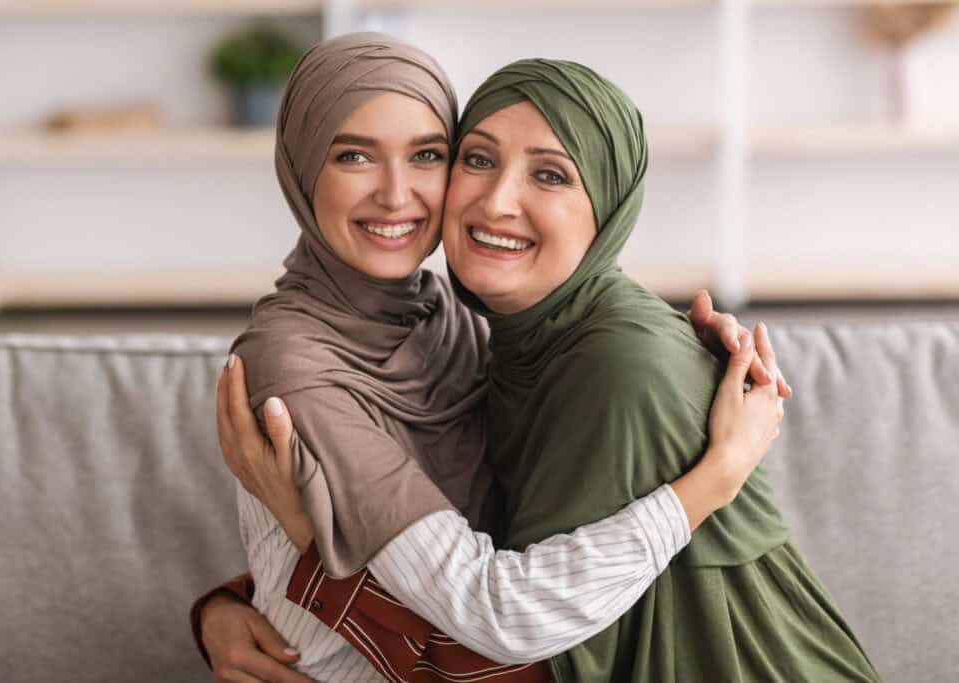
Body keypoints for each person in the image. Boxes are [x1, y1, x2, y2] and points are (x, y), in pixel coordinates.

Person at [194, 35, 790, 683]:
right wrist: (717, 474)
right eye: (354, 155)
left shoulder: (452, 322)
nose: (397, 195)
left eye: (428, 155)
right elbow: (495, 611)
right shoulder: (297, 367)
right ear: (302, 166)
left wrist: (303, 549)